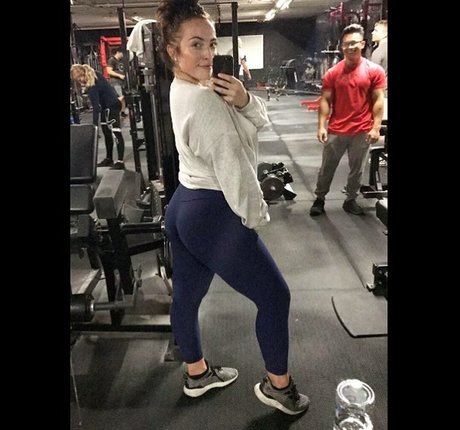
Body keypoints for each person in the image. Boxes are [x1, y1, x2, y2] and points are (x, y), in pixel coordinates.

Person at [155, 0, 310, 415]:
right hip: (211, 212)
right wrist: (255, 218)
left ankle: (197, 374)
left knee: (187, 295)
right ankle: (279, 387)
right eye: (196, 44)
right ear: (173, 51)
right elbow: (236, 171)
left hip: (183, 205)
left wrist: (244, 101)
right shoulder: (204, 100)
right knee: (275, 296)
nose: (208, 53)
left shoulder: (184, 88)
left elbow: (255, 122)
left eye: (211, 43)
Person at [309, 24, 385, 217]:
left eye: (354, 43)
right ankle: (319, 198)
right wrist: (321, 126)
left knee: (357, 170)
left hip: (362, 129)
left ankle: (350, 199)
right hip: (337, 129)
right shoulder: (333, 73)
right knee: (327, 168)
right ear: (341, 46)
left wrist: (376, 127)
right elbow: (325, 100)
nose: (350, 47)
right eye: (346, 44)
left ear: (362, 44)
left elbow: (378, 99)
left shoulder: (374, 71)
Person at [70, 64, 126, 169]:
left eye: (78, 79)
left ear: (82, 74)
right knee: (106, 132)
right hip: (106, 107)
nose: (79, 82)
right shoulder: (96, 74)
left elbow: (96, 107)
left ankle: (120, 161)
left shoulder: (92, 84)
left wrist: (94, 126)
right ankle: (109, 158)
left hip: (112, 106)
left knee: (116, 133)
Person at [106, 47, 127, 116]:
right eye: (122, 53)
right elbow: (109, 71)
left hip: (122, 82)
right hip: (115, 82)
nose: (123, 55)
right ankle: (115, 112)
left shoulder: (121, 60)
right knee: (120, 97)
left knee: (123, 96)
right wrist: (119, 75)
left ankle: (122, 112)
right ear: (118, 52)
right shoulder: (112, 60)